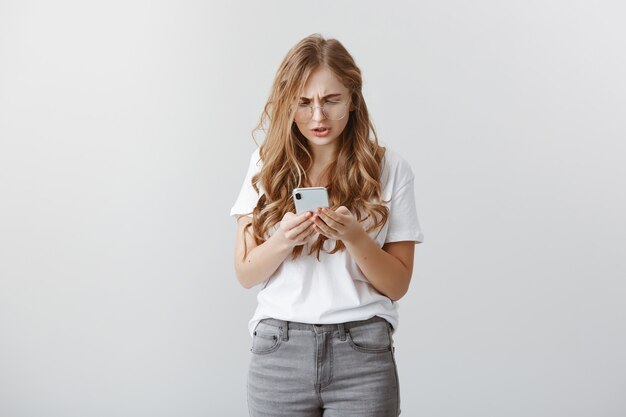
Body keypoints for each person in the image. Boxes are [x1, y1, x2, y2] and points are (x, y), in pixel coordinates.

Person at [229, 33, 424, 417]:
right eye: (303, 103)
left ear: (353, 98)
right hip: (279, 350)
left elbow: (397, 285)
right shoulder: (264, 164)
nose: (317, 117)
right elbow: (245, 273)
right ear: (288, 104)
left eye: (331, 100)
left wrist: (354, 236)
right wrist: (283, 240)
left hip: (363, 351)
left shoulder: (390, 168)